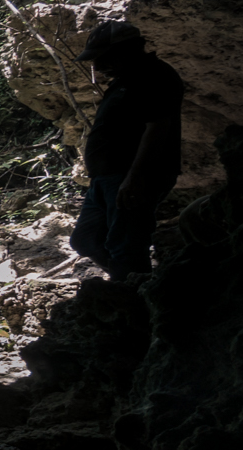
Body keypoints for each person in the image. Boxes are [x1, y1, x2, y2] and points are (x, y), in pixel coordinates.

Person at [68, 20, 184, 276]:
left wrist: (135, 178)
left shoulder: (154, 76)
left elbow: (157, 129)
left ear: (126, 51)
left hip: (130, 177)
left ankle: (134, 299)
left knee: (126, 246)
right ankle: (135, 287)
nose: (96, 66)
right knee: (85, 240)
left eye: (102, 58)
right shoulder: (126, 80)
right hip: (106, 178)